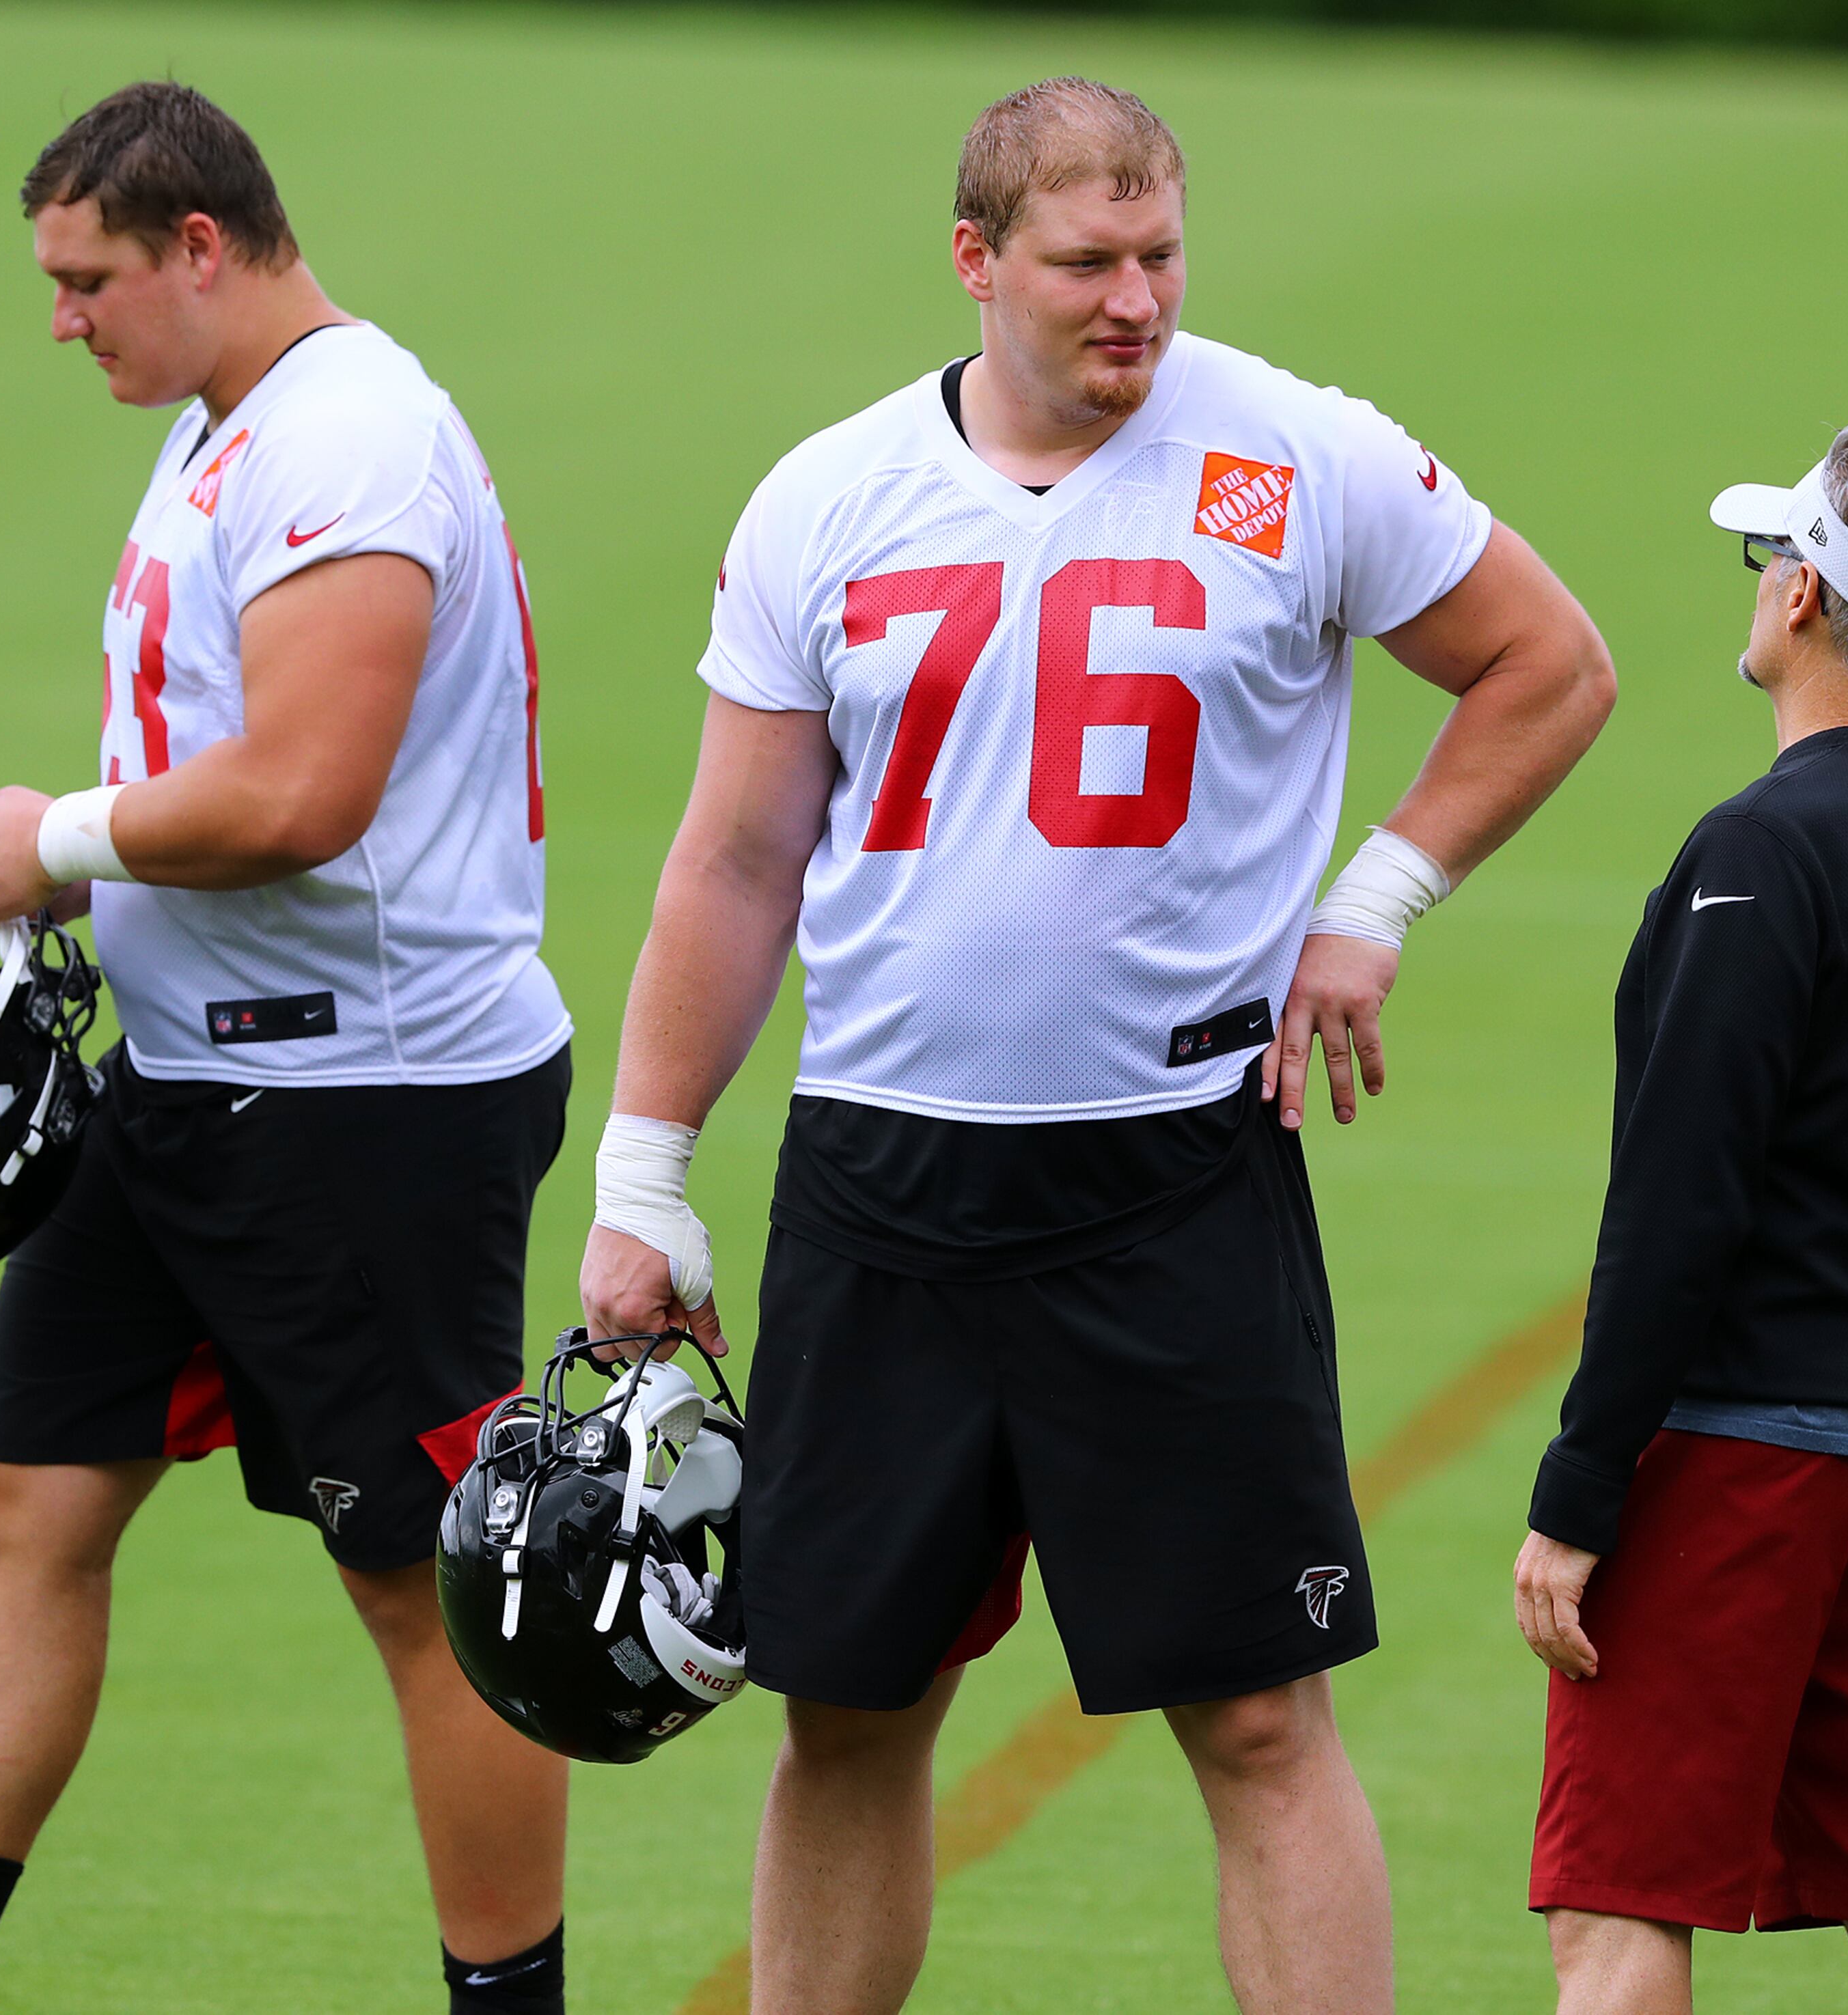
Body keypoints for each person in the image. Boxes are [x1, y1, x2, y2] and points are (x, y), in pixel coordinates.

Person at [581, 77, 1615, 2015]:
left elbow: (1549, 662)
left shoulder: (1298, 452)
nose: (1134, 300)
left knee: (1254, 1719)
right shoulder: (828, 492)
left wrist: (1372, 904)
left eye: (1159, 256)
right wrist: (644, 1175)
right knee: (850, 1709)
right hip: (880, 1182)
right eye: (1086, 264)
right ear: (978, 265)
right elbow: (732, 858)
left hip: (1170, 1175)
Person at [0, 84, 575, 2015]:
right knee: (23, 1499)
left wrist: (54, 837)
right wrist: (78, 881)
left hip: (364, 1104)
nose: (67, 321)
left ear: (201, 246)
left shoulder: (350, 440)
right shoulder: (236, 423)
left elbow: (307, 785)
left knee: (426, 1586)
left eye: (90, 280)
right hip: (198, 1073)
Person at [1512, 415, 1848, 2015]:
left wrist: (1584, 1479)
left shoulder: (1760, 851)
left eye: (1775, 556)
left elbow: (1679, 1200)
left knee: (1618, 1904)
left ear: (1810, 596)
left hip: (1738, 1465)